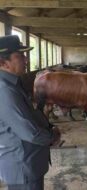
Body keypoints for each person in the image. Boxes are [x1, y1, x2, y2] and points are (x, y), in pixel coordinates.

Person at [0, 35, 61, 190]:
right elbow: (31, 133)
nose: (26, 59)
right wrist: (52, 136)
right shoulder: (5, 90)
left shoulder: (13, 84)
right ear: (3, 62)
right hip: (23, 166)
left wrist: (48, 127)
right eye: (20, 56)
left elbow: (30, 115)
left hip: (27, 162)